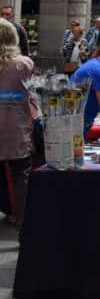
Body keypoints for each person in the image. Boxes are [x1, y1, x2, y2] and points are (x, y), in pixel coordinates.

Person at [0, 19, 35, 233]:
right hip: (16, 131)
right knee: (20, 179)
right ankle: (25, 229)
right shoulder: (24, 64)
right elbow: (32, 98)